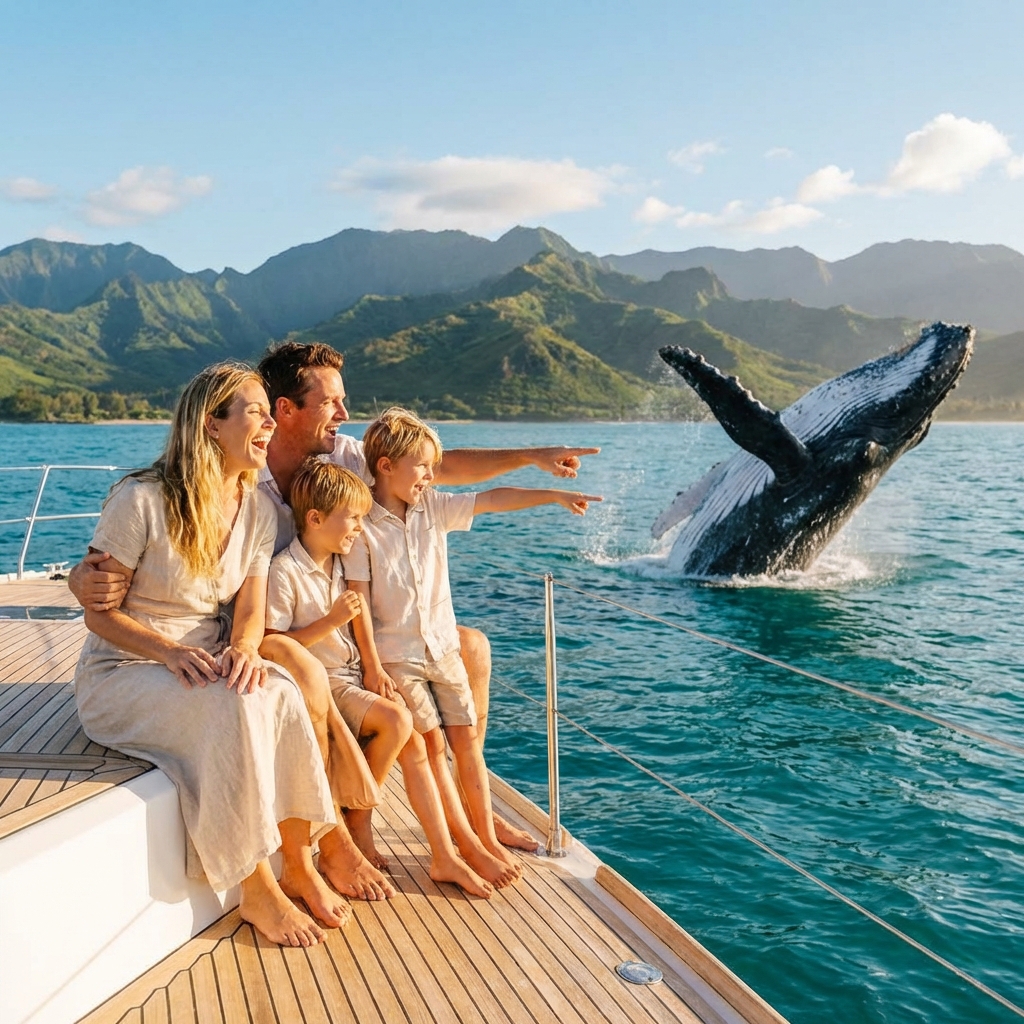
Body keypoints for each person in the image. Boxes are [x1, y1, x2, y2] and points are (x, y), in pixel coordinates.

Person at [70, 340, 600, 851]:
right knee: (347, 699)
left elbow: (436, 465)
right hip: (276, 634)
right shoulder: (233, 479)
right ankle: (355, 832)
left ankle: (472, 810)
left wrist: (534, 457)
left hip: (320, 635)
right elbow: (138, 555)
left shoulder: (344, 459)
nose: (345, 412)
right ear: (286, 408)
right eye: (330, 402)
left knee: (472, 649)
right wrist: (81, 581)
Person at [73, 363, 350, 948]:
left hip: (202, 662)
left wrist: (247, 648)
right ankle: (255, 889)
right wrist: (169, 651)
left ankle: (298, 862)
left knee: (278, 688)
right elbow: (100, 611)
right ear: (211, 425)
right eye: (255, 411)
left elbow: (250, 605)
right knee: (232, 707)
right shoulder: (140, 499)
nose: (270, 423)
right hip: (125, 670)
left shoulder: (253, 506)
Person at [345, 407, 601, 882]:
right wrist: (372, 666)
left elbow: (491, 499)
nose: (429, 475)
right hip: (398, 659)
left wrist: (554, 496)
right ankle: (460, 847)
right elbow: (357, 599)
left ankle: (482, 837)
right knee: (430, 751)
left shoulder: (435, 509)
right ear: (385, 465)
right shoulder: (363, 527)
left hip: (444, 650)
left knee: (467, 745)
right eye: (422, 466)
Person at [266, 458, 496, 896]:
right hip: (326, 682)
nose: (359, 527)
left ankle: (444, 854)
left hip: (354, 676)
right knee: (397, 722)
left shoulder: (340, 566)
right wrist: (330, 622)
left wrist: (374, 668)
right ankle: (358, 819)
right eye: (352, 518)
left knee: (416, 742)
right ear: (315, 519)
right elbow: (273, 641)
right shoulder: (286, 572)